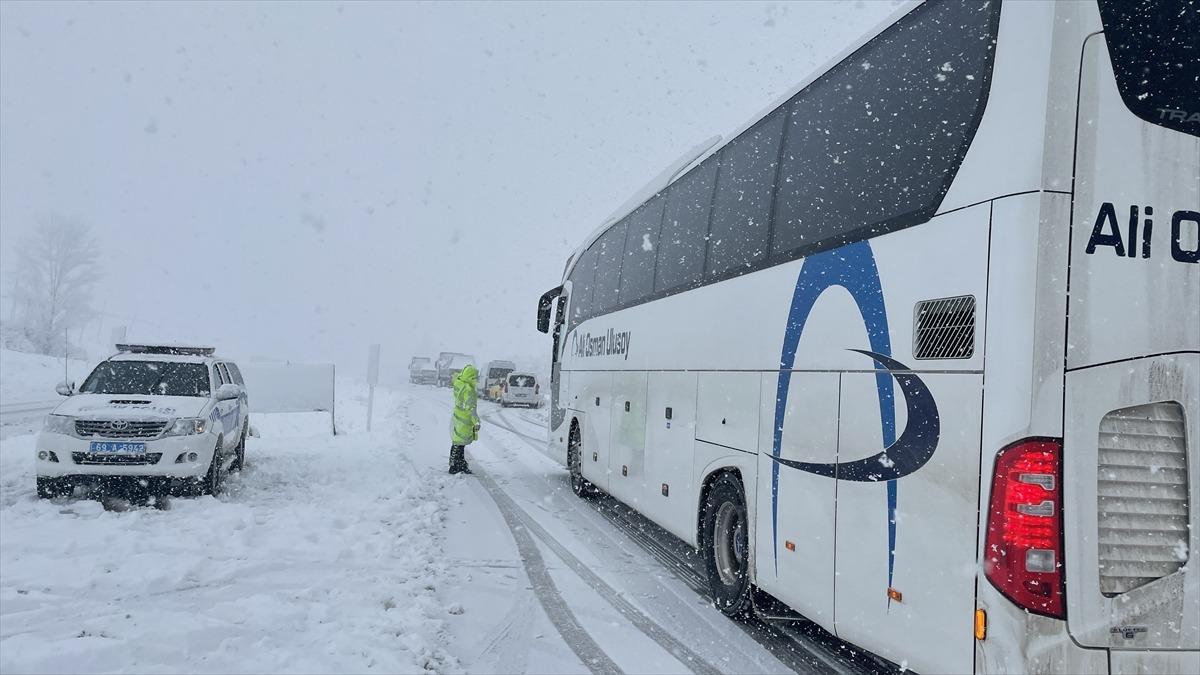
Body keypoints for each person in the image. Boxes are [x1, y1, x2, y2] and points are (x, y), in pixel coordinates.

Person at [449, 364, 480, 474]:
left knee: (458, 442)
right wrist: (476, 421)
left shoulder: (459, 383)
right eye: (475, 378)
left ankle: (459, 463)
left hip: (458, 416)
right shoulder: (468, 389)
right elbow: (471, 408)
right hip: (465, 420)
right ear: (471, 377)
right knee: (459, 443)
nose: (476, 380)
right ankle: (455, 466)